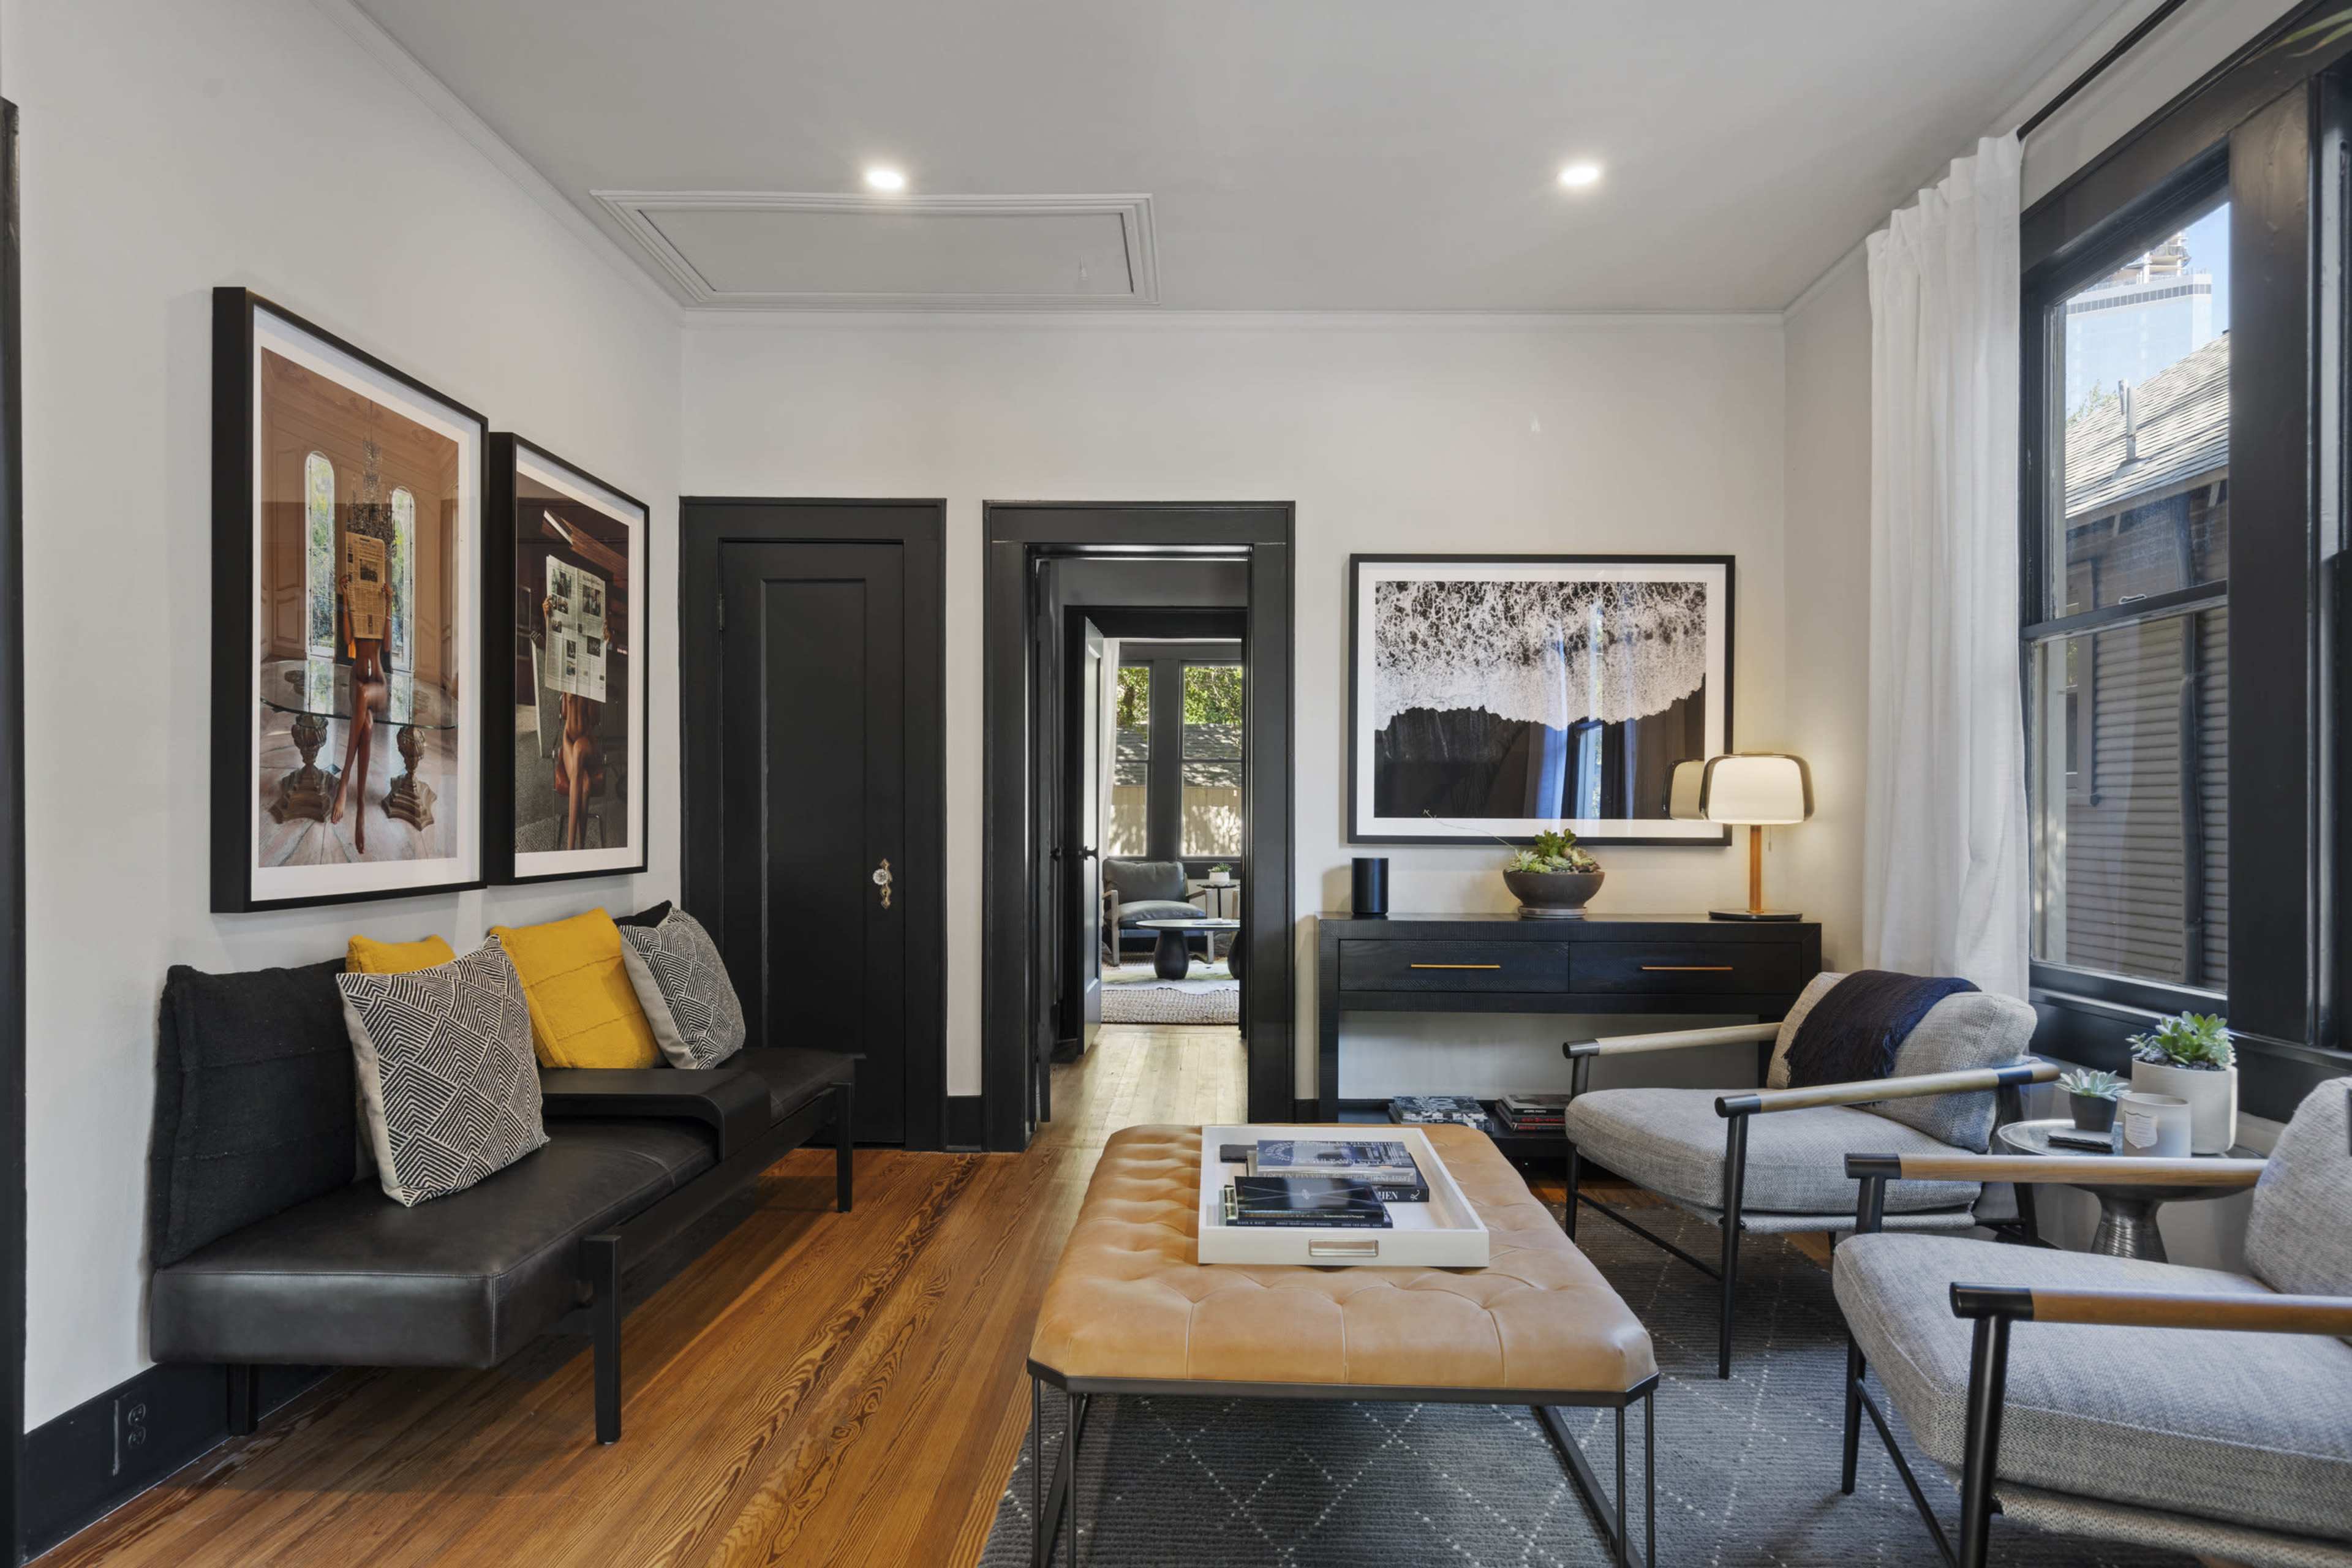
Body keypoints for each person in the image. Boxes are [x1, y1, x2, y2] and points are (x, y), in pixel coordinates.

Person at [328, 565, 389, 854]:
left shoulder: (381, 606)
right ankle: (361, 806)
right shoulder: (355, 600)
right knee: (366, 726)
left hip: (376, 684)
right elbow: (349, 640)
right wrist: (346, 597)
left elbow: (387, 645)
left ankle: (344, 783)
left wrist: (389, 603)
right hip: (357, 679)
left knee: (365, 695)